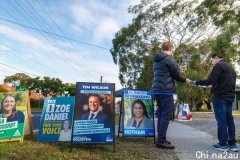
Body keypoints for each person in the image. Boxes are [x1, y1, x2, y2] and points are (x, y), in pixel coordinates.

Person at [191, 52, 239, 152]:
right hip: (229, 97)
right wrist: (214, 86)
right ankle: (233, 144)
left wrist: (196, 82)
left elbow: (211, 80)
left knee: (221, 120)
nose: (212, 62)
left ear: (216, 58)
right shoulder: (230, 68)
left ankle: (223, 144)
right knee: (229, 121)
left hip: (220, 97)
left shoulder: (219, 65)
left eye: (212, 60)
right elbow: (225, 83)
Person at [152, 41, 191, 149]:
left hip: (157, 90)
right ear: (170, 49)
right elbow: (177, 75)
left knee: (160, 114)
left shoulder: (156, 60)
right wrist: (185, 80)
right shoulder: (169, 59)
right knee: (165, 115)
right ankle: (160, 141)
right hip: (166, 90)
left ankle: (161, 138)